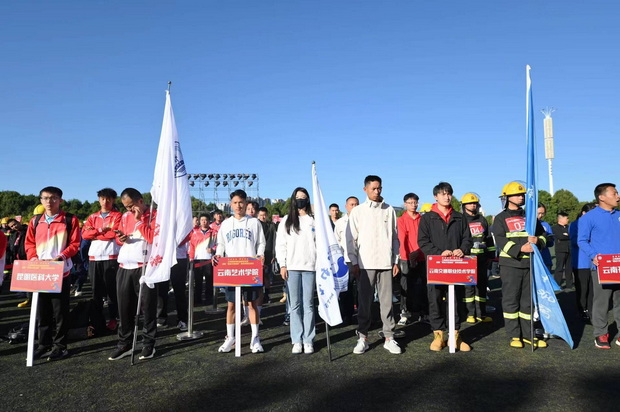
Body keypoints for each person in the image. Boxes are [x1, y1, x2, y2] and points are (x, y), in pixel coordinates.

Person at [346, 175, 401, 355]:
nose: (377, 191)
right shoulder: (358, 211)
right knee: (364, 302)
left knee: (387, 302)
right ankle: (363, 337)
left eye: (379, 188)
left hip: (385, 262)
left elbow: (395, 238)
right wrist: (354, 262)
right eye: (373, 189)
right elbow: (351, 239)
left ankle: (389, 337)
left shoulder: (389, 209)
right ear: (365, 189)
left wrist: (395, 260)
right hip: (365, 263)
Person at [25, 186, 81, 361]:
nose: (49, 201)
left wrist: (61, 257)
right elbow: (29, 244)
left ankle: (60, 346)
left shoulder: (70, 219)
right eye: (45, 198)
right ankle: (44, 344)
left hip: (60, 272)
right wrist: (33, 258)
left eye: (53, 198)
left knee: (60, 312)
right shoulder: (35, 221)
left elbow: (75, 244)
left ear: (60, 200)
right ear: (41, 200)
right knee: (42, 311)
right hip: (40, 271)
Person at [492, 181, 548, 349]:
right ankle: (514, 335)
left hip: (529, 264)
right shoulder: (501, 218)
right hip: (511, 265)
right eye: (517, 194)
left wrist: (538, 241)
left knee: (528, 302)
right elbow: (500, 239)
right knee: (511, 301)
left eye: (522, 194)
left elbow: (544, 236)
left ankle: (528, 334)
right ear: (507, 197)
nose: (521, 197)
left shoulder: (530, 216)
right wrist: (519, 249)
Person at [418, 182, 472, 352]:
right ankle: (438, 335)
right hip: (436, 266)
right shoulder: (427, 218)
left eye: (449, 193)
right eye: (443, 194)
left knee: (455, 300)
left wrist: (462, 249)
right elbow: (423, 242)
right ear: (436, 196)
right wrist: (439, 253)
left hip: (456, 267)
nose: (447, 197)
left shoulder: (460, 217)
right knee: (434, 299)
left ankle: (455, 335)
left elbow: (468, 238)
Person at [108, 188, 158, 361]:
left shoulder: (155, 215)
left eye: (131, 206)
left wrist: (140, 221)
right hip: (124, 266)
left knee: (148, 308)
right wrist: (120, 238)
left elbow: (153, 239)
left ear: (140, 201)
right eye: (126, 207)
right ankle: (125, 344)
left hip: (145, 267)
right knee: (124, 308)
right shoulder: (124, 216)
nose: (129, 210)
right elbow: (118, 238)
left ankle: (148, 344)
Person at [214, 190, 266, 354]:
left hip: (249, 268)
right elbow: (221, 244)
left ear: (246, 203)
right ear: (231, 204)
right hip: (231, 269)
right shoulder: (226, 224)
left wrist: (260, 255)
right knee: (231, 305)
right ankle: (230, 337)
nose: (238, 205)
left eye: (241, 202)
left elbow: (261, 243)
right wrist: (218, 254)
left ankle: (255, 338)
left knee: (252, 304)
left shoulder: (254, 222)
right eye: (235, 202)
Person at [577, 183, 620, 349]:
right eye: (614, 193)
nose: (618, 196)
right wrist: (594, 256)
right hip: (603, 267)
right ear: (602, 197)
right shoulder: (589, 217)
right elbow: (582, 240)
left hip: (619, 265)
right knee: (602, 302)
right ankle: (601, 333)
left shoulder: (618, 215)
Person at [276, 187, 317, 354]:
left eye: (303, 197)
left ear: (308, 199)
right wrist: (282, 264)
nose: (301, 200)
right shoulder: (286, 220)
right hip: (292, 267)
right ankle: (296, 340)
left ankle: (308, 339)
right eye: (298, 197)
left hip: (310, 267)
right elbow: (281, 244)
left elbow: (319, 243)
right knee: (294, 305)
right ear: (294, 200)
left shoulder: (314, 220)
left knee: (308, 304)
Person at [82, 188, 122, 332]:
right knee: (96, 292)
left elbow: (113, 234)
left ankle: (113, 319)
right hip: (94, 257)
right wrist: (100, 231)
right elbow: (85, 235)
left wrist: (95, 234)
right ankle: (97, 321)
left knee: (112, 291)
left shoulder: (118, 216)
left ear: (113, 200)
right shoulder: (93, 217)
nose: (105, 201)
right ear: (99, 200)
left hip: (111, 256)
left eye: (108, 199)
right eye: (103, 199)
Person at [460, 193, 495, 324]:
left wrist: (491, 255)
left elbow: (488, 238)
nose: (473, 205)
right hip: (467, 260)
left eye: (475, 203)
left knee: (482, 286)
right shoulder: (461, 220)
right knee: (468, 288)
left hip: (482, 259)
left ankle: (481, 313)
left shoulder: (482, 219)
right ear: (464, 205)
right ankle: (469, 313)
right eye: (470, 203)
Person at [396, 193, 427, 326]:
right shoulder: (401, 220)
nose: (413, 205)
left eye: (415, 202)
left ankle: (424, 313)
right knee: (406, 287)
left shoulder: (423, 219)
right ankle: (404, 313)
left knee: (425, 286)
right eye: (410, 203)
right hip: (407, 258)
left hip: (422, 257)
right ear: (405, 204)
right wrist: (405, 258)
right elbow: (402, 240)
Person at [334, 196, 359, 325]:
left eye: (356, 204)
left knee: (362, 290)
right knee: (346, 290)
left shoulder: (363, 220)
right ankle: (347, 315)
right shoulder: (340, 223)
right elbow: (336, 241)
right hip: (345, 260)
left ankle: (363, 314)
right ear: (346, 206)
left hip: (361, 260)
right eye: (351, 204)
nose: (354, 207)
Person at [570, 203, 596, 322]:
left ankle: (591, 309)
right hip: (581, 262)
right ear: (584, 213)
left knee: (592, 288)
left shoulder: (594, 223)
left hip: (594, 262)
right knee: (582, 288)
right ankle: (582, 309)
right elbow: (576, 241)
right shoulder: (575, 224)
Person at [189, 214, 216, 306]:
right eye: (202, 220)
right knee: (198, 280)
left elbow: (218, 244)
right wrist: (191, 258)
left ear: (209, 221)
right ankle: (197, 299)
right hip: (198, 259)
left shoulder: (214, 232)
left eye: (206, 220)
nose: (204, 222)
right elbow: (192, 246)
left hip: (209, 259)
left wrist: (213, 249)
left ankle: (209, 299)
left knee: (209, 280)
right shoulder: (195, 233)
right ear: (199, 222)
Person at [257, 207, 277, 304]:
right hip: (257, 255)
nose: (263, 217)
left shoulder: (271, 226)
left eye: (264, 215)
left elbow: (274, 240)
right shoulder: (255, 225)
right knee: (258, 276)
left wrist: (274, 254)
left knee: (267, 276)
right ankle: (259, 295)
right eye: (261, 215)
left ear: (267, 215)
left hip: (268, 253)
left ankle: (267, 294)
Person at [552, 212, 573, 290]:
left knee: (569, 268)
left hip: (569, 250)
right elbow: (560, 236)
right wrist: (566, 235)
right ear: (561, 219)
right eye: (566, 218)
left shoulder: (569, 227)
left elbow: (572, 235)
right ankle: (557, 284)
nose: (568, 220)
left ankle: (569, 285)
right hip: (560, 250)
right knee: (559, 268)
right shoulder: (555, 228)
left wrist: (566, 235)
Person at [537, 204, 555, 272]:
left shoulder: (545, 225)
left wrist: (547, 239)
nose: (540, 215)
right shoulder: (527, 224)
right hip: (533, 259)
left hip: (545, 258)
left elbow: (551, 243)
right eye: (539, 213)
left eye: (543, 213)